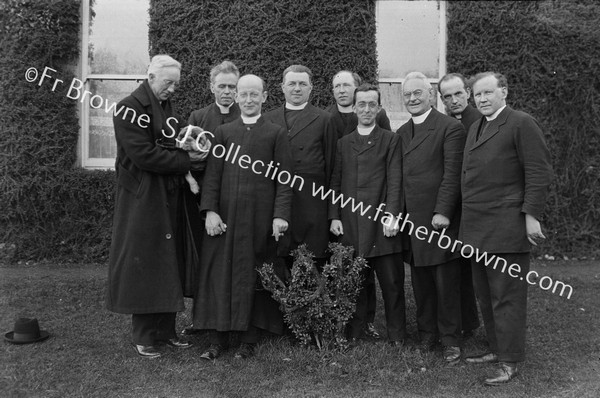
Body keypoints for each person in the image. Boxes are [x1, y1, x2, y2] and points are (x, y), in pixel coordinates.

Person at [192, 74, 294, 360]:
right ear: (236, 97)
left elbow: (285, 181)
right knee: (219, 275)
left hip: (259, 219)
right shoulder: (224, 132)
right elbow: (212, 177)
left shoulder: (275, 133)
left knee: (255, 274)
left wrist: (279, 216)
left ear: (264, 97)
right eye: (243, 94)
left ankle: (249, 338)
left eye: (254, 94)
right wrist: (210, 211)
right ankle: (217, 339)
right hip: (225, 219)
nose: (248, 99)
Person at [106, 54, 201, 358]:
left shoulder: (164, 105)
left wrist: (193, 137)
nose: (173, 89)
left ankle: (167, 332)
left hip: (167, 194)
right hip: (142, 199)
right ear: (150, 77)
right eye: (168, 82)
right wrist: (186, 161)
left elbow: (173, 138)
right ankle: (144, 336)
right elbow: (144, 155)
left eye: (176, 84)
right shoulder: (127, 108)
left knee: (168, 260)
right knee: (146, 262)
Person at [462, 72, 553, 385]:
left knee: (507, 297)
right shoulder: (476, 125)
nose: (483, 99)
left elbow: (538, 172)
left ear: (504, 91)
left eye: (488, 92)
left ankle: (510, 360)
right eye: (478, 95)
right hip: (477, 228)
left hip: (507, 227)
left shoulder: (521, 122)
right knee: (486, 295)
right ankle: (496, 348)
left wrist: (531, 215)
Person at [397, 72, 466, 364]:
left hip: (438, 218)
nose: (413, 99)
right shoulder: (401, 132)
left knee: (445, 281)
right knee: (421, 279)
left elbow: (452, 175)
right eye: (408, 95)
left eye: (418, 93)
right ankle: (427, 334)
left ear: (430, 94)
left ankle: (451, 339)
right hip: (412, 220)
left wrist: (442, 212)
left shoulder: (449, 128)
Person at [329, 84, 406, 345]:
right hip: (351, 223)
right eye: (361, 104)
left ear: (379, 107)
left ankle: (397, 335)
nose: (366, 109)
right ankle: (355, 331)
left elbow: (395, 180)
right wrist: (335, 216)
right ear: (354, 107)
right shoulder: (343, 143)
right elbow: (335, 183)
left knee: (392, 284)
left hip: (383, 223)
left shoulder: (390, 139)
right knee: (355, 282)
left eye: (371, 104)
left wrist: (393, 216)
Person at [181, 60, 241, 336]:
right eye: (222, 86)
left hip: (239, 197)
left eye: (232, 87)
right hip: (206, 197)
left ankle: (237, 318)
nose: (227, 92)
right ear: (212, 87)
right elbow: (185, 155)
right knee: (207, 259)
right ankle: (203, 320)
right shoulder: (199, 116)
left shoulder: (248, 115)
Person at [263, 65, 337, 266]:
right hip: (278, 202)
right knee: (279, 262)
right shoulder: (268, 118)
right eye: (292, 83)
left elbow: (332, 168)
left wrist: (332, 212)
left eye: (302, 84)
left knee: (311, 264)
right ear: (282, 87)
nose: (297, 88)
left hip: (312, 203)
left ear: (311, 88)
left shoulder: (324, 119)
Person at [438, 73, 481, 337]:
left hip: (473, 206)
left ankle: (471, 323)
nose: (454, 100)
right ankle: (464, 321)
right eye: (447, 97)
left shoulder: (479, 120)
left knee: (472, 270)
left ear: (467, 92)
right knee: (455, 267)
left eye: (458, 94)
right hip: (451, 204)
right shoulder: (444, 123)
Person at [327, 70, 391, 138]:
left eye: (346, 85)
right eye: (337, 86)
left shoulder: (378, 114)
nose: (341, 91)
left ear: (357, 88)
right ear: (333, 91)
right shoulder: (324, 117)